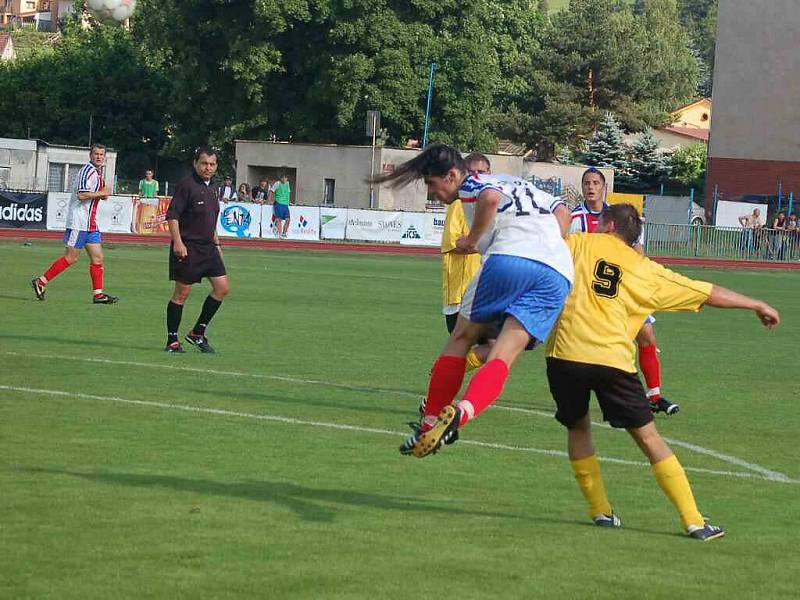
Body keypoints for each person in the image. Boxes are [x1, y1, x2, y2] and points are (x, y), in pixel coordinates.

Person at [546, 203, 779, 540]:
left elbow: (540, 248)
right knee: (648, 437)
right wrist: (756, 303)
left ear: (608, 224)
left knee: (578, 427)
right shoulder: (645, 269)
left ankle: (600, 511)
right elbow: (705, 291)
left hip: (564, 355)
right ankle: (694, 521)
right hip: (612, 360)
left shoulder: (575, 243)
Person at [372, 143, 574, 458]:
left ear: (452, 175)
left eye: (432, 184)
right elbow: (564, 211)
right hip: (558, 271)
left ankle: (428, 424)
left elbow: (490, 199)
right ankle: (462, 413)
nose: (432, 193)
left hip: (509, 256)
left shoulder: (475, 183)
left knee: (462, 337)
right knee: (502, 357)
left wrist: (473, 238)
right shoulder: (520, 184)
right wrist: (547, 243)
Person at [571, 168, 678, 416]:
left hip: (622, 287)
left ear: (604, 186)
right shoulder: (576, 218)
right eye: (587, 183)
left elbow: (638, 252)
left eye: (596, 182)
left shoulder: (621, 216)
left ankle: (655, 395)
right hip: (591, 291)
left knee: (647, 336)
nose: (591, 187)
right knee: (598, 344)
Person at [31, 143, 119, 304]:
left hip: (90, 223)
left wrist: (103, 193)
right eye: (96, 154)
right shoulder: (87, 171)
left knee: (98, 259)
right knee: (71, 258)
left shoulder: (97, 172)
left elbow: (102, 194)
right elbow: (82, 195)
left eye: (101, 154)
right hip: (79, 222)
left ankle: (98, 295)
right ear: (90, 156)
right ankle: (41, 281)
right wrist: (103, 192)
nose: (99, 157)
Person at [164, 147, 230, 353]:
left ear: (216, 166)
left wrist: (217, 244)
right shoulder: (186, 185)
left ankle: (197, 332)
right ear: (195, 164)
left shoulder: (214, 188)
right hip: (188, 247)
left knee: (222, 288)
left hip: (208, 248)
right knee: (182, 294)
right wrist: (178, 242)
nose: (208, 168)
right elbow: (172, 216)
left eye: (212, 164)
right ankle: (172, 340)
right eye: (204, 163)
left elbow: (210, 220)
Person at [269, 173, 292, 238]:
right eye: (282, 177)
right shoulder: (277, 183)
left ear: (287, 178)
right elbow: (271, 191)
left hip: (285, 204)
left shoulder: (287, 184)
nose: (284, 179)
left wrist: (289, 202)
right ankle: (280, 234)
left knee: (288, 220)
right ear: (280, 178)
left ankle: (284, 233)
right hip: (278, 203)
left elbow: (288, 193)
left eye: (285, 177)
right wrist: (270, 200)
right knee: (279, 219)